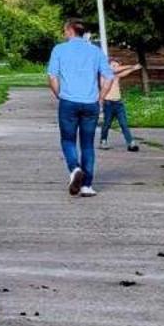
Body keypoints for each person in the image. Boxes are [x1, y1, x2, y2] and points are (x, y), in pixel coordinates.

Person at [46, 19, 117, 197]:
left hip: (68, 101)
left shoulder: (59, 49)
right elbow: (108, 77)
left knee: (68, 140)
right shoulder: (95, 51)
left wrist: (59, 94)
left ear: (70, 31)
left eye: (64, 30)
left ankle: (74, 168)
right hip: (90, 103)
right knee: (87, 144)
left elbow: (52, 77)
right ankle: (87, 186)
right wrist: (100, 97)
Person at [97, 67, 138, 152]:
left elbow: (125, 72)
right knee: (107, 124)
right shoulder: (103, 76)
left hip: (119, 104)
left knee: (124, 124)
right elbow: (114, 70)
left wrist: (134, 68)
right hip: (108, 104)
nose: (116, 67)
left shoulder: (117, 76)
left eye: (117, 65)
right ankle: (103, 141)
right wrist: (130, 66)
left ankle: (131, 143)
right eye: (114, 65)